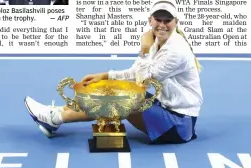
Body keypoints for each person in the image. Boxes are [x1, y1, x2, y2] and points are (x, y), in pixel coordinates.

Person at [24, 0, 203, 144]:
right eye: (158, 19)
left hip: (178, 124)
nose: (162, 24)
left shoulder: (175, 50)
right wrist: (106, 75)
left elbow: (144, 80)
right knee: (116, 89)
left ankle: (54, 117)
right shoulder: (160, 42)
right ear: (150, 20)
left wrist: (144, 49)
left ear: (175, 23)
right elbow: (134, 72)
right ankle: (56, 116)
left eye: (167, 20)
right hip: (164, 108)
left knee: (118, 98)